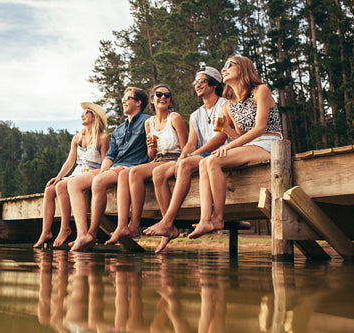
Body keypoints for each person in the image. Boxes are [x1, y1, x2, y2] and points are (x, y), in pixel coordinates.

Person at [189, 55, 282, 239]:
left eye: (229, 65)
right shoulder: (229, 106)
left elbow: (260, 128)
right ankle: (205, 218)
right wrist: (227, 130)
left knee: (213, 161)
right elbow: (239, 136)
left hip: (270, 142)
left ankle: (218, 217)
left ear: (244, 68)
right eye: (223, 66)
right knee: (204, 163)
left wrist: (230, 147)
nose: (224, 69)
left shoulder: (260, 91)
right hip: (250, 145)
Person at [143, 67, 228, 253]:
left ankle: (167, 221)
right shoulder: (196, 115)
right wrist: (183, 158)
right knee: (159, 172)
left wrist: (193, 155)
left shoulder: (224, 105)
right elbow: (190, 144)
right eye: (195, 82)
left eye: (201, 81)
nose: (196, 85)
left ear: (214, 84)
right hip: (202, 155)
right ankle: (168, 226)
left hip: (222, 153)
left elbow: (221, 137)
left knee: (187, 163)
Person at [67, 87, 150, 252]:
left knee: (99, 181)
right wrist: (104, 170)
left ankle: (92, 232)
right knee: (74, 183)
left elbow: (151, 150)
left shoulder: (147, 121)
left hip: (132, 167)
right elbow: (110, 156)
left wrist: (104, 174)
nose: (123, 101)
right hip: (114, 167)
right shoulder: (119, 129)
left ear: (138, 102)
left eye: (127, 98)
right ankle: (82, 234)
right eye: (123, 99)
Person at [105, 84, 187, 246]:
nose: (163, 97)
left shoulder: (175, 118)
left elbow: (186, 147)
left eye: (167, 95)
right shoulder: (149, 122)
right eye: (159, 94)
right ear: (152, 100)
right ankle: (132, 225)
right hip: (157, 160)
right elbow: (151, 155)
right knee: (129, 173)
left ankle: (167, 224)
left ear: (170, 100)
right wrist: (152, 147)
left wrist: (181, 164)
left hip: (175, 158)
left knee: (150, 173)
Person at [33, 102, 109, 248]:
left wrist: (103, 176)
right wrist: (58, 176)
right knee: (50, 188)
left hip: (95, 172)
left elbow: (106, 161)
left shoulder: (102, 138)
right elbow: (70, 161)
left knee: (62, 186)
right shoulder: (77, 137)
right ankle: (46, 232)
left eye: (86, 112)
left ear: (95, 116)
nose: (82, 115)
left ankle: (65, 228)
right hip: (77, 172)